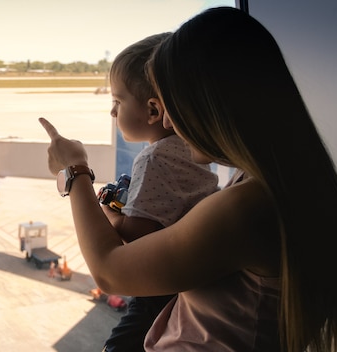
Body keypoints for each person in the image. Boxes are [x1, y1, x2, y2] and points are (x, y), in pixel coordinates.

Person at [39, 6, 337, 352]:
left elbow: (110, 272)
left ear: (209, 103)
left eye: (173, 104)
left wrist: (75, 170)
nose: (169, 123)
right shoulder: (275, 185)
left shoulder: (249, 207)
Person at [101, 32, 218, 352]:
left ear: (153, 111)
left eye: (118, 101)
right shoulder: (189, 148)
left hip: (158, 292)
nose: (113, 112)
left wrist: (108, 212)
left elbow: (137, 238)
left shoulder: (154, 157)